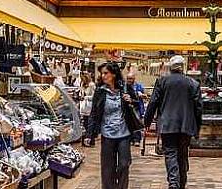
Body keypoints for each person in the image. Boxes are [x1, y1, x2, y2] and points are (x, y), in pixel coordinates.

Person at [143, 55, 202, 189]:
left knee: (170, 153)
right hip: (186, 126)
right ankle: (181, 183)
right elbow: (198, 108)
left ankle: (174, 183)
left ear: (170, 67)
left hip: (167, 125)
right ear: (183, 67)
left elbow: (153, 103)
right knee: (182, 154)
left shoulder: (162, 82)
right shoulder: (193, 83)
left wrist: (147, 122)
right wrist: (197, 128)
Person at [85, 63, 141, 189]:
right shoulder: (100, 92)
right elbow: (94, 113)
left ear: (114, 74)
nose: (103, 76)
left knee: (124, 164)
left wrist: (131, 100)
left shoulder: (125, 88)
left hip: (124, 134)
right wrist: (89, 134)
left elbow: (138, 105)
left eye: (106, 73)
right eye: (102, 73)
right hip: (107, 134)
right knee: (108, 168)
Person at [126, 71, 147, 143]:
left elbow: (145, 95)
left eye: (131, 78)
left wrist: (141, 95)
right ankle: (131, 139)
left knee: (137, 122)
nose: (129, 80)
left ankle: (137, 139)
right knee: (129, 123)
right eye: (128, 78)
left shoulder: (138, 86)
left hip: (137, 107)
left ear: (134, 79)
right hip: (128, 107)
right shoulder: (125, 87)